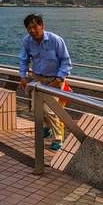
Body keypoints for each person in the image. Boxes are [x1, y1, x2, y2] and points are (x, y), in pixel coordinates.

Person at [17, 13, 72, 151]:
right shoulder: (27, 41)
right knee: (36, 109)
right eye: (29, 28)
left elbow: (66, 62)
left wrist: (59, 78)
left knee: (50, 110)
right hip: (38, 79)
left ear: (42, 26)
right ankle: (47, 127)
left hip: (55, 80)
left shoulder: (56, 40)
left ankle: (58, 138)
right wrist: (22, 77)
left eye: (35, 26)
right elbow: (24, 59)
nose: (32, 30)